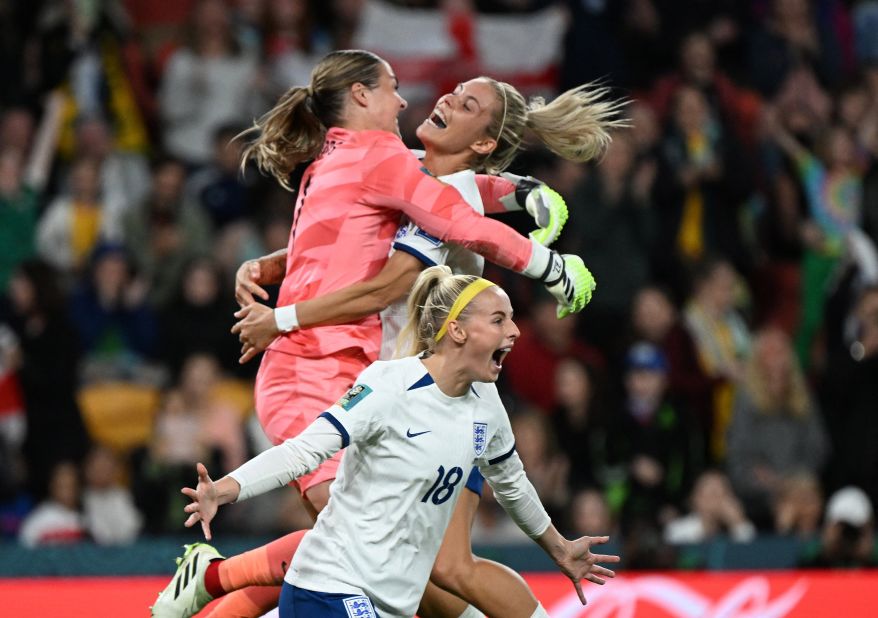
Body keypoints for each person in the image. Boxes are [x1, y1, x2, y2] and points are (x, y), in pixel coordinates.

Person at [152, 49, 624, 618]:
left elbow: (414, 242)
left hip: (425, 401)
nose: (430, 98)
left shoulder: (417, 187)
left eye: (466, 102)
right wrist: (530, 213)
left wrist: (523, 196)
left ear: (481, 142)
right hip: (397, 393)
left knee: (412, 563)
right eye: (448, 92)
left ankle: (215, 578)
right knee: (411, 562)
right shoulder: (411, 180)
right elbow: (379, 256)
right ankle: (214, 578)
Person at [163, 267, 620, 618]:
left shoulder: (486, 404)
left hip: (390, 603)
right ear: (457, 331)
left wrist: (559, 548)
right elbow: (304, 451)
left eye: (513, 319)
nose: (515, 331)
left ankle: (213, 579)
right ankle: (210, 576)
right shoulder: (389, 385)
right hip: (330, 585)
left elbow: (513, 484)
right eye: (499, 319)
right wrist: (222, 490)